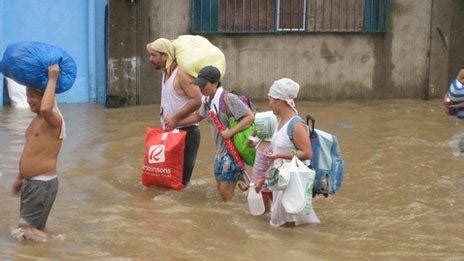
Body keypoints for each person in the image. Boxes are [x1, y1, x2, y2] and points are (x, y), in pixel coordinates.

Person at [177, 66, 255, 201]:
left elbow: (250, 116)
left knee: (225, 193)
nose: (200, 88)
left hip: (232, 153)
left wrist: (231, 132)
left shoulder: (228, 98)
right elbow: (197, 117)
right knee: (221, 192)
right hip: (219, 153)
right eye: (199, 84)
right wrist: (175, 122)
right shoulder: (207, 101)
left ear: (215, 83)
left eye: (203, 84)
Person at [10, 65, 66, 242]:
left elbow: (45, 109)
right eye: (27, 95)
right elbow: (30, 150)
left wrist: (52, 79)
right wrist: (20, 177)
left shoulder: (53, 119)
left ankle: (63, 248)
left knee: (26, 230)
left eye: (33, 96)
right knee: (29, 234)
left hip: (41, 185)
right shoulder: (36, 121)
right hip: (32, 184)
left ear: (46, 96)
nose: (28, 100)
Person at [146, 38, 203, 186]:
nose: (150, 59)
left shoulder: (181, 74)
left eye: (153, 55)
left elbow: (197, 100)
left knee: (180, 184)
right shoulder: (166, 72)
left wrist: (176, 118)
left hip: (186, 134)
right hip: (171, 134)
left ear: (165, 56)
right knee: (167, 181)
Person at [265, 78, 320, 227]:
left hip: (293, 183)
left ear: (278, 101)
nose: (269, 103)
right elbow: (278, 151)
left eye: (270, 99)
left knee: (288, 225)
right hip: (282, 181)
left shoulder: (296, 125)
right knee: (285, 225)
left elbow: (307, 153)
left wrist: (279, 155)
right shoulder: (281, 121)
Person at [249, 111, 278, 212]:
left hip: (266, 181)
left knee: (268, 208)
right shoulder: (260, 141)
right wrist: (254, 132)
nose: (256, 128)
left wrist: (264, 178)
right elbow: (248, 143)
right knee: (264, 208)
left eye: (258, 126)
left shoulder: (273, 145)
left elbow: (276, 163)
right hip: (257, 182)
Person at [443, 67, 464, 152]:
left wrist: (450, 107)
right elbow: (447, 96)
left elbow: (447, 96)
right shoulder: (456, 88)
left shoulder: (455, 87)